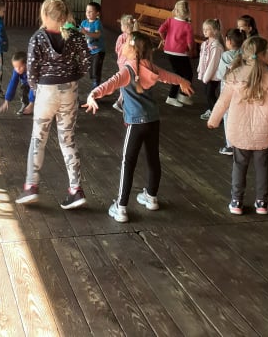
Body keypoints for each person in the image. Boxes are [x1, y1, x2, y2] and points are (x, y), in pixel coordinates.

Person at [83, 32, 194, 223]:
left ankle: (121, 207)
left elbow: (111, 84)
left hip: (136, 123)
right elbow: (168, 76)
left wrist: (93, 94)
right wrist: (182, 81)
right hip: (153, 120)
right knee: (153, 159)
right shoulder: (150, 66)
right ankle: (151, 197)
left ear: (132, 49)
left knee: (128, 163)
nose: (123, 44)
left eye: (126, 42)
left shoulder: (128, 70)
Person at [16, 0, 91, 208]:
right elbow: (86, 63)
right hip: (70, 91)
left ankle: (31, 186)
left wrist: (36, 89)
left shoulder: (38, 38)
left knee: (38, 139)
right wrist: (73, 76)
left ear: (45, 14)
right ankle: (76, 190)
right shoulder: (76, 36)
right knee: (68, 140)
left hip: (46, 91)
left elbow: (32, 71)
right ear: (65, 16)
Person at [207, 36, 268, 216]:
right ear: (265, 54)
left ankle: (236, 201)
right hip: (263, 131)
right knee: (262, 166)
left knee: (239, 165)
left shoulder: (234, 75)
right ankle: (262, 203)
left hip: (238, 130)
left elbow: (222, 102)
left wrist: (213, 120)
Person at [158, 0, 195, 108]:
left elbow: (160, 30)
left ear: (176, 10)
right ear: (188, 12)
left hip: (169, 51)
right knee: (187, 74)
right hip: (181, 53)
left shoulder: (170, 20)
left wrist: (164, 39)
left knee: (178, 73)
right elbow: (190, 43)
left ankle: (176, 96)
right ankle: (178, 96)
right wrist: (190, 50)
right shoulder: (188, 26)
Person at [216, 28, 245, 155]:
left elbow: (220, 74)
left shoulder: (226, 55)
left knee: (228, 117)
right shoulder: (246, 55)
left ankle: (231, 145)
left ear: (228, 41)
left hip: (228, 92)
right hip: (243, 90)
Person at [198, 18, 225, 121]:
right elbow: (202, 58)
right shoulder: (205, 43)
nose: (204, 31)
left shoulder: (216, 46)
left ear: (215, 31)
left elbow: (213, 64)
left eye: (207, 29)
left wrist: (206, 77)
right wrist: (200, 70)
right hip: (206, 75)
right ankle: (212, 110)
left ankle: (217, 115)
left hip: (212, 76)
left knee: (210, 94)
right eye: (203, 29)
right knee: (207, 93)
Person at [112, 13, 138, 112]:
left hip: (122, 62)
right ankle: (121, 102)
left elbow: (116, 49)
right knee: (127, 83)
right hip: (129, 63)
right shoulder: (134, 37)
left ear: (125, 27)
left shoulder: (121, 37)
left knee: (126, 81)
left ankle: (121, 102)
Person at [0, 51, 34, 116]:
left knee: (36, 94)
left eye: (20, 67)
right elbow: (13, 83)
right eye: (15, 67)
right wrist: (7, 100)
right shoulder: (16, 71)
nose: (17, 69)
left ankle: (32, 105)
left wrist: (31, 103)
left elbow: (34, 86)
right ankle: (25, 104)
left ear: (26, 64)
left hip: (37, 84)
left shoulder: (32, 70)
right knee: (23, 91)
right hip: (26, 83)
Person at [80, 1, 106, 89]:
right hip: (89, 51)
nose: (88, 13)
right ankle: (95, 81)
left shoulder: (97, 23)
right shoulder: (84, 23)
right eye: (87, 11)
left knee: (96, 70)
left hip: (98, 51)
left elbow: (97, 35)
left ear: (97, 13)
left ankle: (96, 87)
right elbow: (81, 34)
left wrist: (86, 32)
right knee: (91, 71)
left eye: (90, 11)